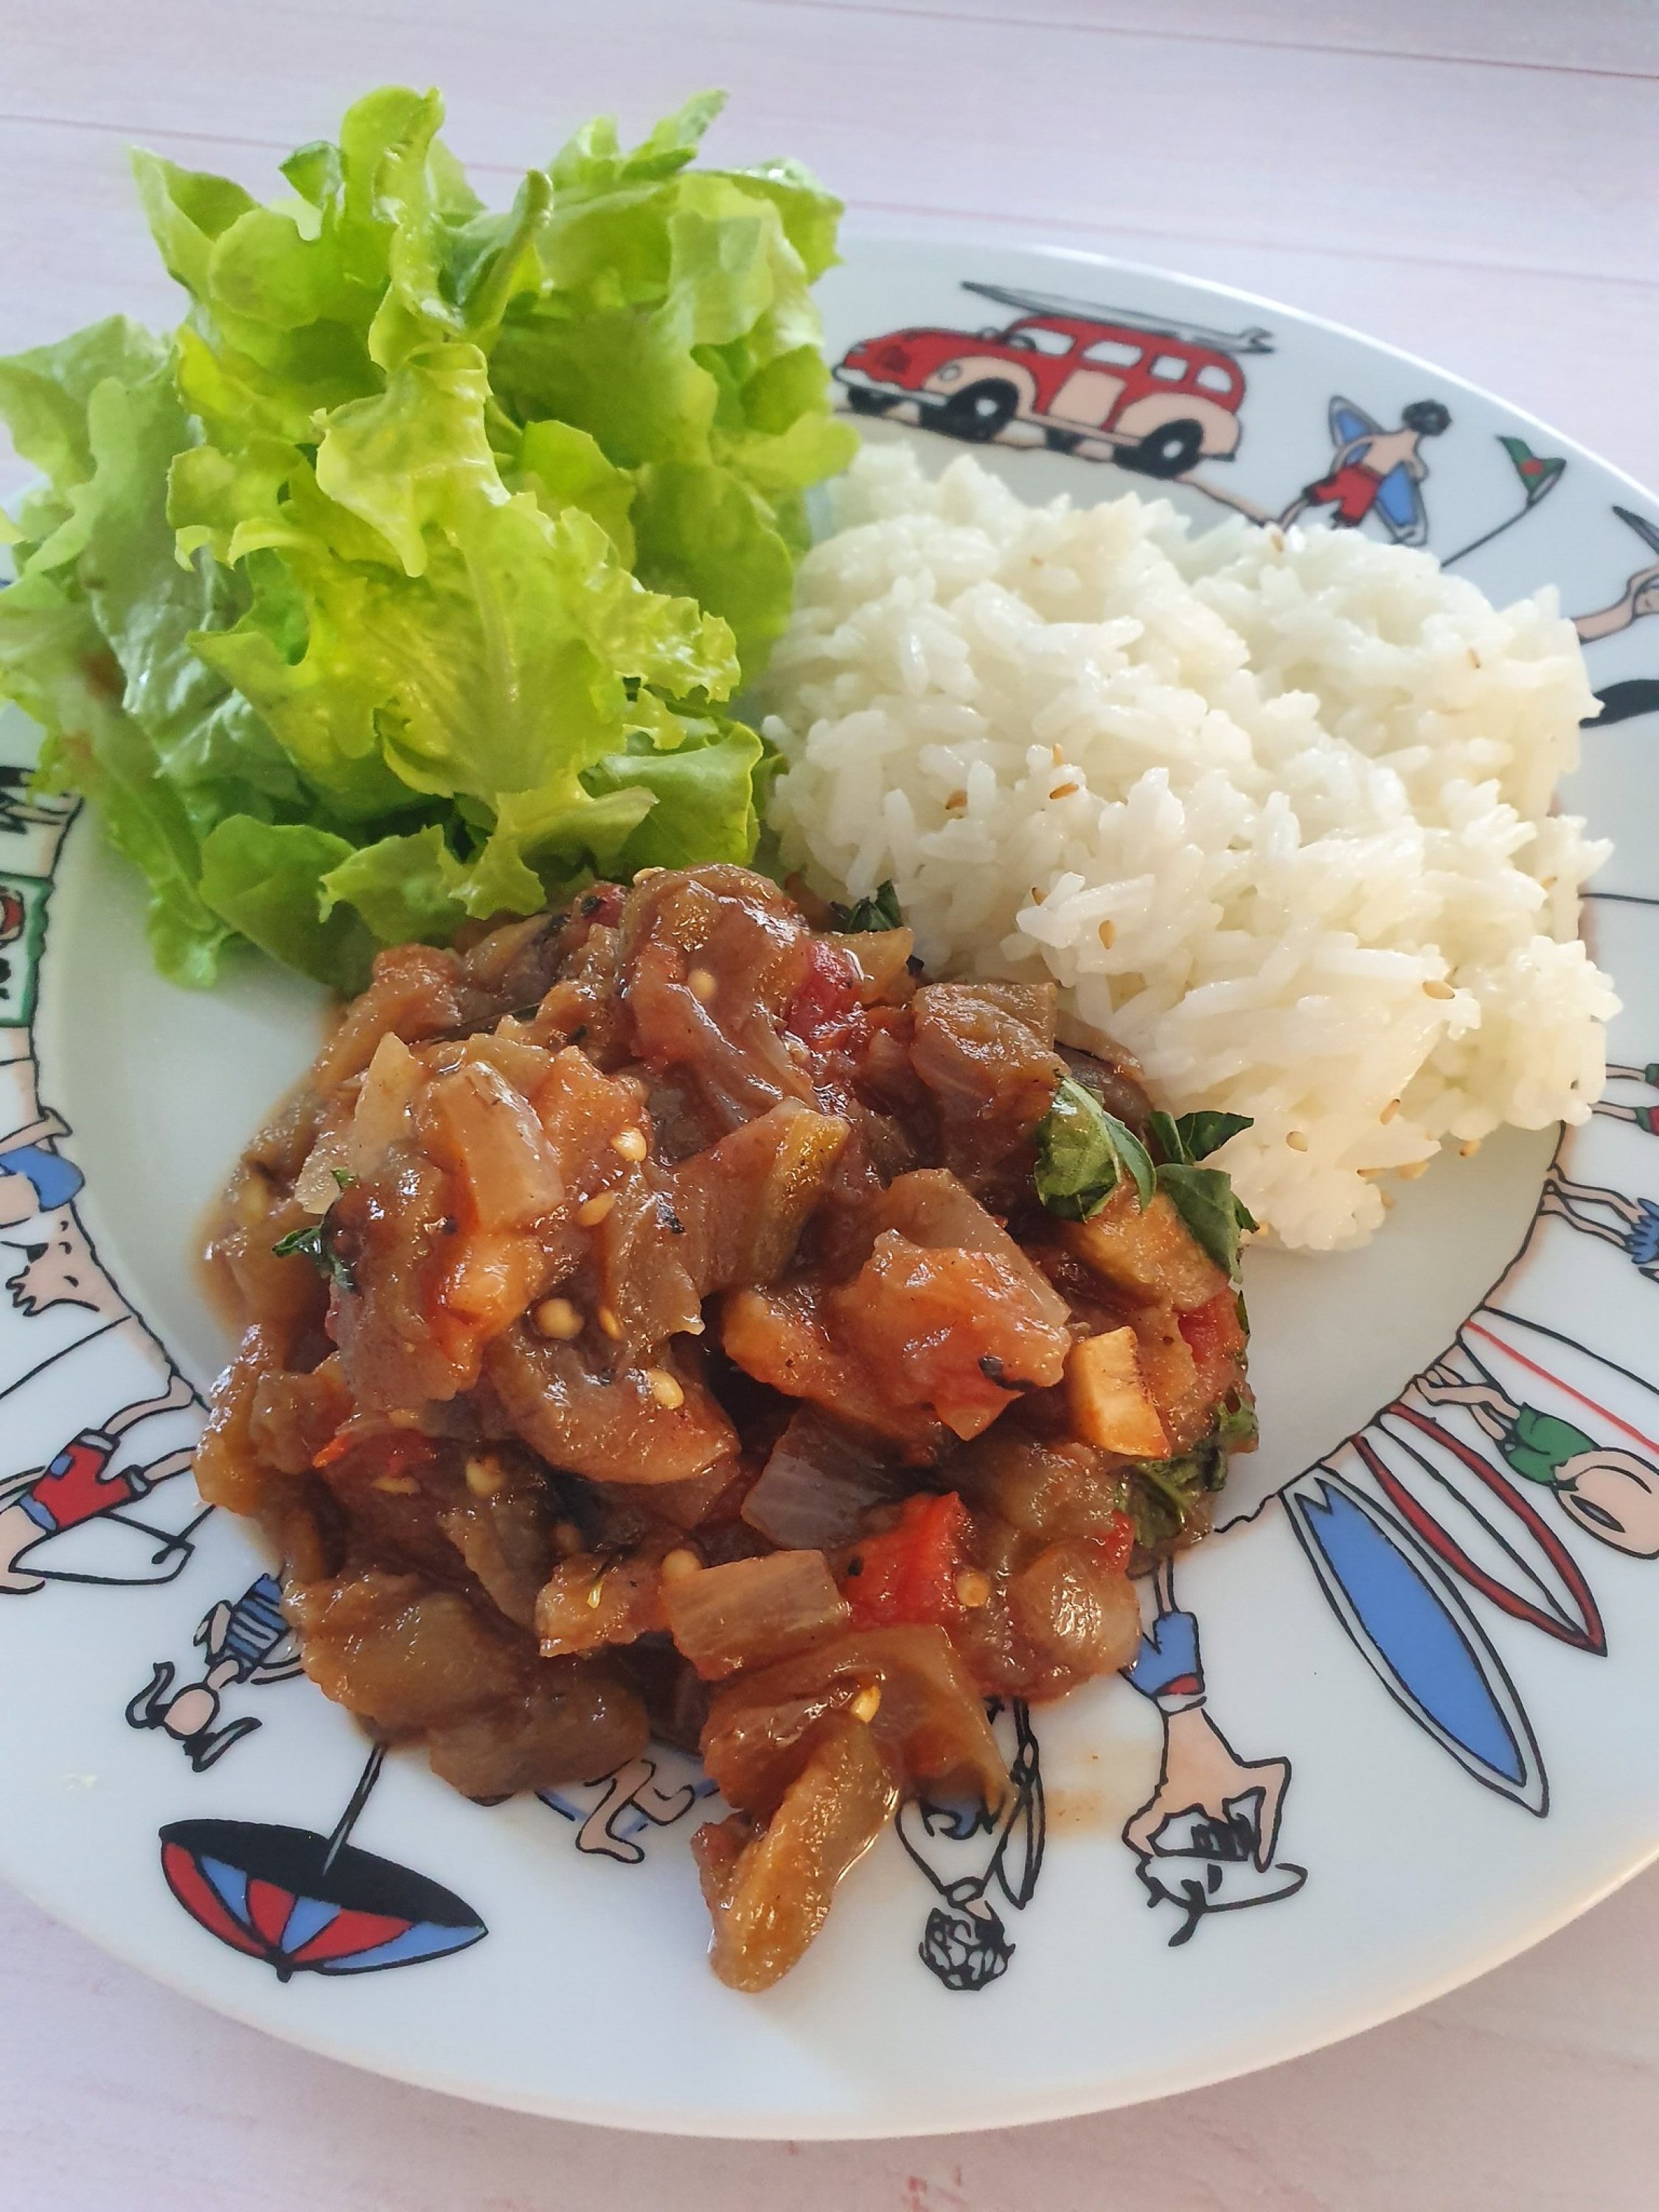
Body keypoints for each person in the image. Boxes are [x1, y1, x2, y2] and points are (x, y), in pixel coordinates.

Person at [1417, 1358, 1659, 1557]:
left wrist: (1563, 1493)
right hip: (1574, 1449)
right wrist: (1583, 1463)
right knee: (1498, 1403)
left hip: (1558, 1480)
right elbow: (1625, 1462)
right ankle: (1442, 1393)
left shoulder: (1647, 1545)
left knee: (1499, 1434)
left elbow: (1591, 1522)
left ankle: (1454, 1388)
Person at [125, 1571, 303, 1769]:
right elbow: (297, 1665)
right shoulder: (251, 1674)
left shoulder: (217, 1648)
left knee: (290, 1573)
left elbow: (223, 1610)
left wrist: (203, 1630)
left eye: (179, 1707)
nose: (190, 1707)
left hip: (264, 1595)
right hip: (288, 1610)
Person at [1280, 399, 1451, 535]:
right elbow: (1420, 473)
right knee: (1340, 523)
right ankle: (1287, 533)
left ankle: (1282, 528)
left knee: (1309, 504)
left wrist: (1336, 470)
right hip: (1363, 482)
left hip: (1358, 478)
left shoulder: (1386, 442)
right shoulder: (1406, 453)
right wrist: (1337, 470)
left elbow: (1348, 448)